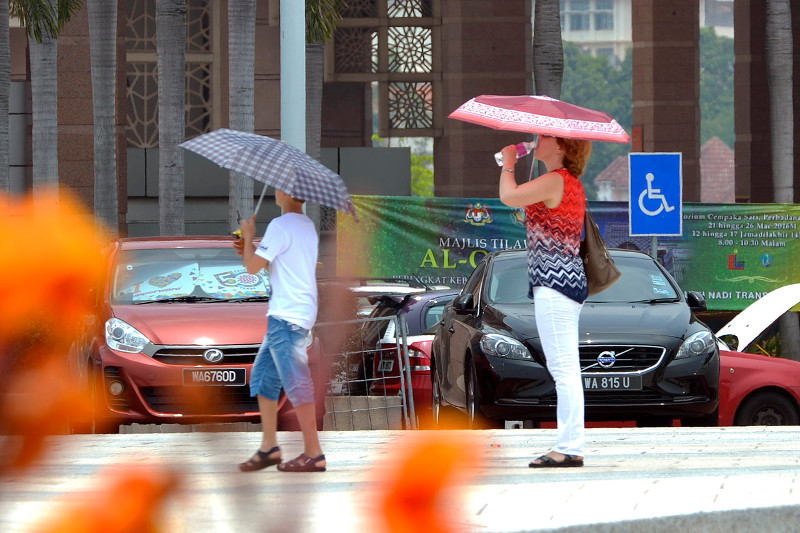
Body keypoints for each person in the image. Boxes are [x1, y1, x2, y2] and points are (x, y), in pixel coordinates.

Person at [498, 135, 592, 468]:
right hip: (565, 283)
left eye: (546, 138)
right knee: (565, 368)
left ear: (563, 147)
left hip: (555, 284)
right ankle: (570, 444)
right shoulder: (569, 184)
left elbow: (508, 195)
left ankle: (569, 446)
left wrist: (509, 161)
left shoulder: (555, 180)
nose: (539, 141)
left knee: (563, 369)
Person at [234, 189, 326, 473]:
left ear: (285, 191)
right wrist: (252, 247)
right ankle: (269, 447)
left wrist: (249, 237)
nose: (274, 190)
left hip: (286, 315)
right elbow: (277, 265)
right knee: (263, 377)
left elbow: (251, 268)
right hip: (295, 312)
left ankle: (314, 453)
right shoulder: (305, 225)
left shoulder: (279, 225)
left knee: (297, 381)